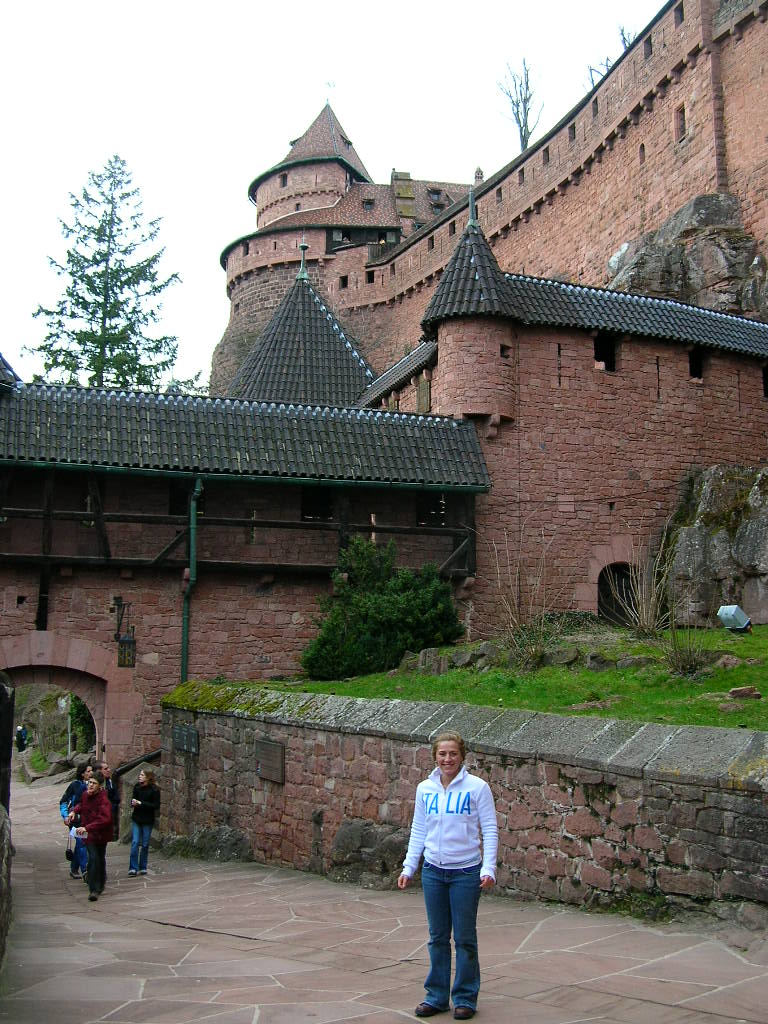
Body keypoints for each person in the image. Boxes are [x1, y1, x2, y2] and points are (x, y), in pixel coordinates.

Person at [398, 732, 498, 1021]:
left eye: (453, 753)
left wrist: (488, 867)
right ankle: (437, 996)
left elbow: (490, 829)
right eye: (442, 754)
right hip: (433, 871)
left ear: (462, 756)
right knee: (437, 937)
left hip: (465, 872)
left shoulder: (477, 788)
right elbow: (419, 829)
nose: (447, 759)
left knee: (464, 938)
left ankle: (465, 997)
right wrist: (409, 867)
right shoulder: (425, 789)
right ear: (435, 757)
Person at [69, 771, 113, 901]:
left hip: (101, 834)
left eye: (94, 783)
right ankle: (93, 889)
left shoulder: (103, 800)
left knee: (100, 858)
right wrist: (74, 811)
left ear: (99, 786)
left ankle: (101, 882)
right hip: (88, 834)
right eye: (90, 782)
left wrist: (87, 827)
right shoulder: (85, 795)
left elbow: (105, 819)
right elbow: (82, 805)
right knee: (93, 858)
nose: (91, 785)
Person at [60, 763, 92, 879]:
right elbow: (64, 801)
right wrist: (65, 816)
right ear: (82, 773)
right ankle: (85, 870)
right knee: (81, 842)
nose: (91, 773)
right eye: (88, 771)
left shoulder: (93, 785)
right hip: (76, 819)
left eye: (91, 771)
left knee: (81, 844)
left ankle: (74, 868)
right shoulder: (74, 785)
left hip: (88, 820)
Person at [129, 769, 160, 876]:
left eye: (142, 775)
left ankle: (143, 866)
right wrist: (133, 803)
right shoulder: (137, 787)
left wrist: (141, 803)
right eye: (140, 774)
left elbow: (155, 805)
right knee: (135, 842)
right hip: (137, 818)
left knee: (145, 844)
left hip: (147, 820)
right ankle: (133, 867)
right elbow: (133, 800)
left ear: (148, 777)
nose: (140, 776)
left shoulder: (154, 790)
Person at [100, 761, 121, 840]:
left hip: (109, 813)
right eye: (105, 769)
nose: (109, 770)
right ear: (99, 771)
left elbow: (116, 798)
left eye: (108, 768)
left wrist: (112, 807)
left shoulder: (110, 782)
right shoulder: (93, 784)